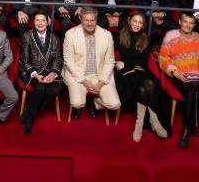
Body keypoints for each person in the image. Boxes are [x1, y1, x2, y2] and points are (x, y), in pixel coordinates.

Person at [114, 12, 171, 142]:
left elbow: (143, 61)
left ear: (143, 25)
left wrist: (126, 63)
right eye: (135, 21)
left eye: (140, 22)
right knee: (145, 85)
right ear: (130, 21)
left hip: (141, 70)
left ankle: (139, 123)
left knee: (146, 85)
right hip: (125, 74)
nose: (137, 25)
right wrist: (121, 63)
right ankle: (153, 119)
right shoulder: (120, 35)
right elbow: (119, 55)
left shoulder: (146, 38)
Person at [63, 8, 121, 120]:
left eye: (92, 20)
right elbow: (68, 60)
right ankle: (82, 103)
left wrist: (100, 82)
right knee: (77, 103)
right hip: (78, 75)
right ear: (80, 19)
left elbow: (110, 61)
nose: (89, 23)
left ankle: (94, 102)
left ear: (96, 20)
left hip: (99, 75)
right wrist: (84, 82)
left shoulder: (107, 35)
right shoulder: (70, 34)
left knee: (115, 105)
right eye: (86, 20)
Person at [159, 13, 199, 148]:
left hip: (196, 75)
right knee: (194, 88)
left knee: (194, 88)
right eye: (185, 22)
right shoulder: (171, 35)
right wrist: (175, 72)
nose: (188, 25)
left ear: (194, 25)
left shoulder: (198, 37)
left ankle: (188, 127)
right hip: (178, 75)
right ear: (180, 22)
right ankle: (190, 127)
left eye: (191, 23)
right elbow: (163, 58)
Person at [18, 12, 62, 135]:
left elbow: (58, 59)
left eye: (43, 20)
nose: (40, 23)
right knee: (40, 88)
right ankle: (30, 118)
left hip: (48, 71)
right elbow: (24, 61)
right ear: (33, 22)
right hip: (32, 71)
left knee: (53, 90)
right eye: (37, 20)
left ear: (48, 23)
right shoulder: (27, 36)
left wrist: (53, 74)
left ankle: (29, 112)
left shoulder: (54, 37)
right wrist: (35, 75)